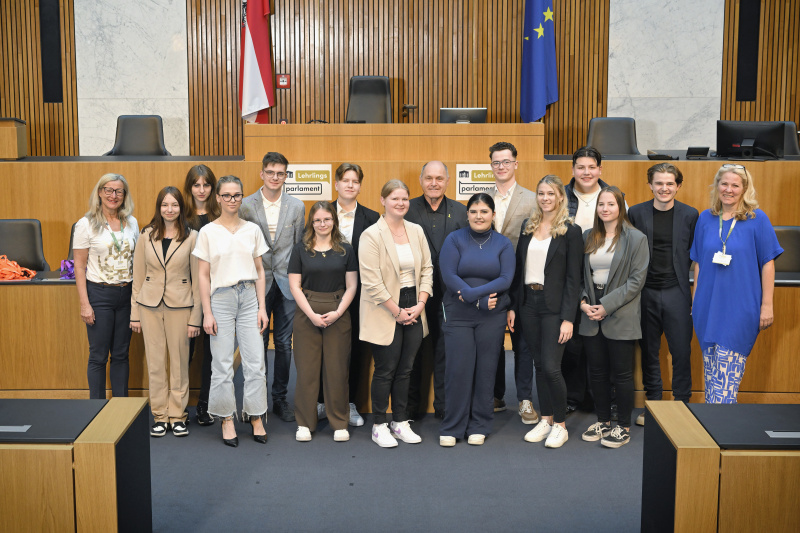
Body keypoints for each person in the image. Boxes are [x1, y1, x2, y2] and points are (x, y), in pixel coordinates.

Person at [691, 164, 782, 404]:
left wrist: (767, 305)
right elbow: (699, 262)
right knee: (712, 376)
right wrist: (695, 302)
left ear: (744, 189)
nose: (728, 189)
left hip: (740, 309)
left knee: (725, 380)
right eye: (724, 184)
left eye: (735, 185)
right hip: (707, 308)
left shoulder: (757, 219)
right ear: (717, 186)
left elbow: (768, 264)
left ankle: (721, 433)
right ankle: (715, 431)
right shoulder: (705, 218)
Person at [193, 176, 269, 447]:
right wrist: (207, 312)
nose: (232, 200)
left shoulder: (252, 230)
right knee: (222, 364)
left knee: (255, 362)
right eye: (226, 195)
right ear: (218, 198)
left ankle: (256, 415)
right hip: (221, 299)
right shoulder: (208, 232)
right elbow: (203, 275)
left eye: (237, 195)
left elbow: (260, 270)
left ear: (241, 196)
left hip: (249, 297)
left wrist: (262, 307)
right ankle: (226, 418)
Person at [508, 176, 583, 448]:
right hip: (529, 304)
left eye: (551, 193)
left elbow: (574, 280)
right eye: (541, 193)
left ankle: (560, 425)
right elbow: (518, 272)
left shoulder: (571, 231)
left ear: (561, 197)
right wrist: (514, 307)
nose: (545, 198)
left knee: (552, 367)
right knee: (539, 365)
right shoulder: (528, 228)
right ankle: (547, 419)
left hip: (555, 309)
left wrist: (567, 318)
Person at [359, 180, 433, 448]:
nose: (400, 203)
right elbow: (371, 281)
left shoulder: (416, 231)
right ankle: (379, 424)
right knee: (386, 369)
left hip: (414, 303)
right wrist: (397, 311)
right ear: (383, 201)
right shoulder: (371, 235)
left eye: (404, 199)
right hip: (385, 307)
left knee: (406, 369)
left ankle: (400, 422)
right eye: (395, 199)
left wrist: (421, 304)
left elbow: (427, 269)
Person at [438, 193, 515, 447]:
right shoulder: (454, 239)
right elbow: (449, 275)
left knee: (485, 371)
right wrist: (475, 299)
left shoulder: (503, 243)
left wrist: (475, 297)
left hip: (492, 316)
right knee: (457, 370)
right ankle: (453, 426)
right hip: (458, 314)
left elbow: (505, 279)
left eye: (484, 211)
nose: (478, 216)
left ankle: (479, 425)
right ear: (467, 214)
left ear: (493, 215)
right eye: (473, 211)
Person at [628, 163, 698, 424]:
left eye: (670, 183)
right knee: (649, 352)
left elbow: (695, 254)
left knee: (681, 351)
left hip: (677, 292)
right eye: (659, 183)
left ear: (678, 186)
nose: (664, 188)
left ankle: (682, 404)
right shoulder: (636, 213)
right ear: (650, 185)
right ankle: (654, 405)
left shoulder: (691, 215)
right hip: (645, 292)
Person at [579, 186, 648, 449]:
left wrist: (605, 306)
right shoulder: (589, 236)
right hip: (590, 314)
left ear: (621, 207)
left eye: (611, 204)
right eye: (601, 204)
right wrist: (584, 302)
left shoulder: (636, 238)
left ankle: (623, 427)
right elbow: (580, 276)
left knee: (621, 374)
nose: (605, 209)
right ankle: (603, 420)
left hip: (620, 313)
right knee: (596, 372)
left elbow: (636, 281)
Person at [130, 186, 201, 438]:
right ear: (159, 208)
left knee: (179, 362)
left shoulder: (192, 237)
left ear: (181, 208)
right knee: (156, 362)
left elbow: (198, 281)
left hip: (181, 306)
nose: (169, 209)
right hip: (148, 306)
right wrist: (134, 314)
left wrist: (196, 318)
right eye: (164, 205)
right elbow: (137, 277)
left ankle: (178, 416)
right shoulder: (145, 235)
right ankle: (159, 415)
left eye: (174, 205)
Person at [240, 152, 305, 423]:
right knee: (256, 343)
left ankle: (279, 398)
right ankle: (257, 401)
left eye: (281, 173)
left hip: (287, 282)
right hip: (258, 282)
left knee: (283, 344)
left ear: (286, 176)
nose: (275, 177)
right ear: (262, 174)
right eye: (271, 172)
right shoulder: (245, 205)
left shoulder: (297, 206)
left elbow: (300, 244)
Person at [316, 163, 379, 427]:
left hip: (361, 295)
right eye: (345, 180)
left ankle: (350, 403)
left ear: (360, 186)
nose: (350, 185)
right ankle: (321, 402)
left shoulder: (373, 217)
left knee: (355, 350)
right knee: (322, 349)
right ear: (336, 184)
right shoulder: (322, 212)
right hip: (325, 293)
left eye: (355, 181)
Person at [289, 201, 358, 442]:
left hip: (338, 313)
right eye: (317, 220)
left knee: (337, 370)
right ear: (311, 222)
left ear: (334, 221)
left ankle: (339, 422)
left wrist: (338, 313)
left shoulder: (345, 250)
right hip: (307, 313)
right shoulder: (300, 250)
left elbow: (352, 286)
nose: (322, 224)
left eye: (327, 219)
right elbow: (294, 287)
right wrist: (312, 315)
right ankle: (305, 423)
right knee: (307, 370)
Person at [405, 160, 468, 419]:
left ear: (447, 181)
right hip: (414, 293)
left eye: (439, 178)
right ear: (421, 180)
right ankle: (411, 409)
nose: (434, 183)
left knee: (446, 352)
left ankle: (443, 407)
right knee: (413, 351)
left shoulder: (462, 212)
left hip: (450, 295)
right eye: (429, 178)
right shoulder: (407, 210)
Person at [561, 146, 617, 416]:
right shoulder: (561, 196)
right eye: (580, 167)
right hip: (568, 276)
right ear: (573, 170)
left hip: (601, 277)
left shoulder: (613, 197)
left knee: (599, 343)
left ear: (600, 170)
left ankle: (599, 398)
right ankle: (572, 397)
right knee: (571, 343)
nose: (586, 172)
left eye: (591, 167)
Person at [73, 173, 139, 399]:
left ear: (124, 195)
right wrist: (85, 304)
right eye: (108, 190)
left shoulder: (131, 222)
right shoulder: (86, 224)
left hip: (126, 294)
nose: (113, 195)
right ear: (100, 192)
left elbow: (137, 260)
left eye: (118, 191)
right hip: (99, 294)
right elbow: (79, 267)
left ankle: (121, 411)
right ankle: (97, 411)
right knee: (98, 355)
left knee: (121, 354)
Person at [488, 141, 539, 425]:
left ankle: (524, 400)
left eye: (506, 162)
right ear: (491, 166)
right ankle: (495, 396)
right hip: (489, 283)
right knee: (491, 341)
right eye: (496, 162)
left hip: (521, 284)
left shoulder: (533, 200)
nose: (502, 167)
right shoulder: (482, 199)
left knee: (522, 344)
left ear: (516, 164)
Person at [182, 164, 221, 426]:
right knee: (184, 353)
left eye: (206, 185)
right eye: (196, 185)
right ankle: (179, 406)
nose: (202, 190)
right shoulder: (180, 218)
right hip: (184, 297)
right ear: (189, 188)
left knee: (211, 355)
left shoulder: (221, 218)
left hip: (215, 295)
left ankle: (205, 405)